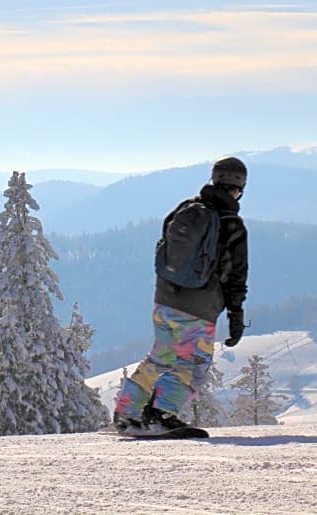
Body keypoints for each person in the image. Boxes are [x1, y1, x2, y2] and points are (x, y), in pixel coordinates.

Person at [113, 156, 249, 433]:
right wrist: (236, 312)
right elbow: (236, 274)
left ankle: (127, 412)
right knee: (194, 363)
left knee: (160, 357)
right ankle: (160, 415)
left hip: (164, 300)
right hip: (198, 307)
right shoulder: (230, 223)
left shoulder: (185, 209)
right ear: (239, 188)